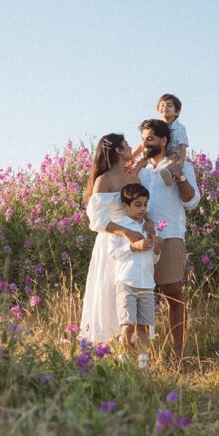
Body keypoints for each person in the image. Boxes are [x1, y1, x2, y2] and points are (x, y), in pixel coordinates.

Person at [137, 119, 200, 364]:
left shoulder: (182, 166)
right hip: (141, 238)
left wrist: (180, 176)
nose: (145, 143)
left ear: (163, 141)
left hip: (171, 235)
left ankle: (177, 354)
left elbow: (192, 202)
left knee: (172, 293)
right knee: (139, 294)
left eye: (150, 138)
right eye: (143, 138)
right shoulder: (139, 170)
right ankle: (142, 356)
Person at [79, 133, 149, 343]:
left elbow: (142, 207)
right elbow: (97, 219)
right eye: (126, 145)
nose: (130, 148)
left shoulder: (133, 178)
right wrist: (126, 233)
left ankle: (133, 349)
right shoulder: (104, 180)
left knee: (132, 290)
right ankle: (108, 343)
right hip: (111, 240)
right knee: (109, 291)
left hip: (136, 238)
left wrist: (149, 224)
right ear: (118, 150)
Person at [109, 183, 161, 369]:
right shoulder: (120, 227)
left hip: (147, 284)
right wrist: (132, 246)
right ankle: (123, 364)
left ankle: (143, 365)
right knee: (127, 324)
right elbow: (113, 254)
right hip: (126, 283)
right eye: (138, 205)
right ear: (126, 206)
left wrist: (157, 248)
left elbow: (154, 259)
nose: (143, 209)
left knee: (144, 326)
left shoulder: (150, 227)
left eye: (145, 204)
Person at [131, 93, 190, 186]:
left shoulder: (180, 128)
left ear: (177, 112)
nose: (165, 107)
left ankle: (169, 175)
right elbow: (144, 143)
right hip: (157, 152)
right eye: (162, 105)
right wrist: (132, 156)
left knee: (172, 159)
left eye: (169, 105)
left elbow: (182, 145)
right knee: (142, 161)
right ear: (158, 110)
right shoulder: (156, 127)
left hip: (173, 151)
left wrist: (182, 160)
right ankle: (132, 177)